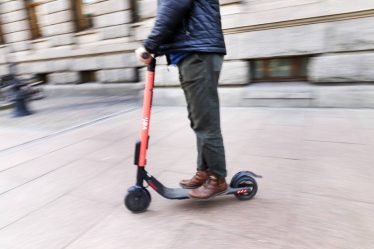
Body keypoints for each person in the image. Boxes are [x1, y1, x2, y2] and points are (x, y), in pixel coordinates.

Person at [135, 0, 227, 199]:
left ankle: (218, 178)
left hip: (198, 54)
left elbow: (173, 7)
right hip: (193, 53)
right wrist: (156, 48)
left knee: (205, 120)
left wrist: (149, 45)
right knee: (198, 118)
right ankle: (204, 170)